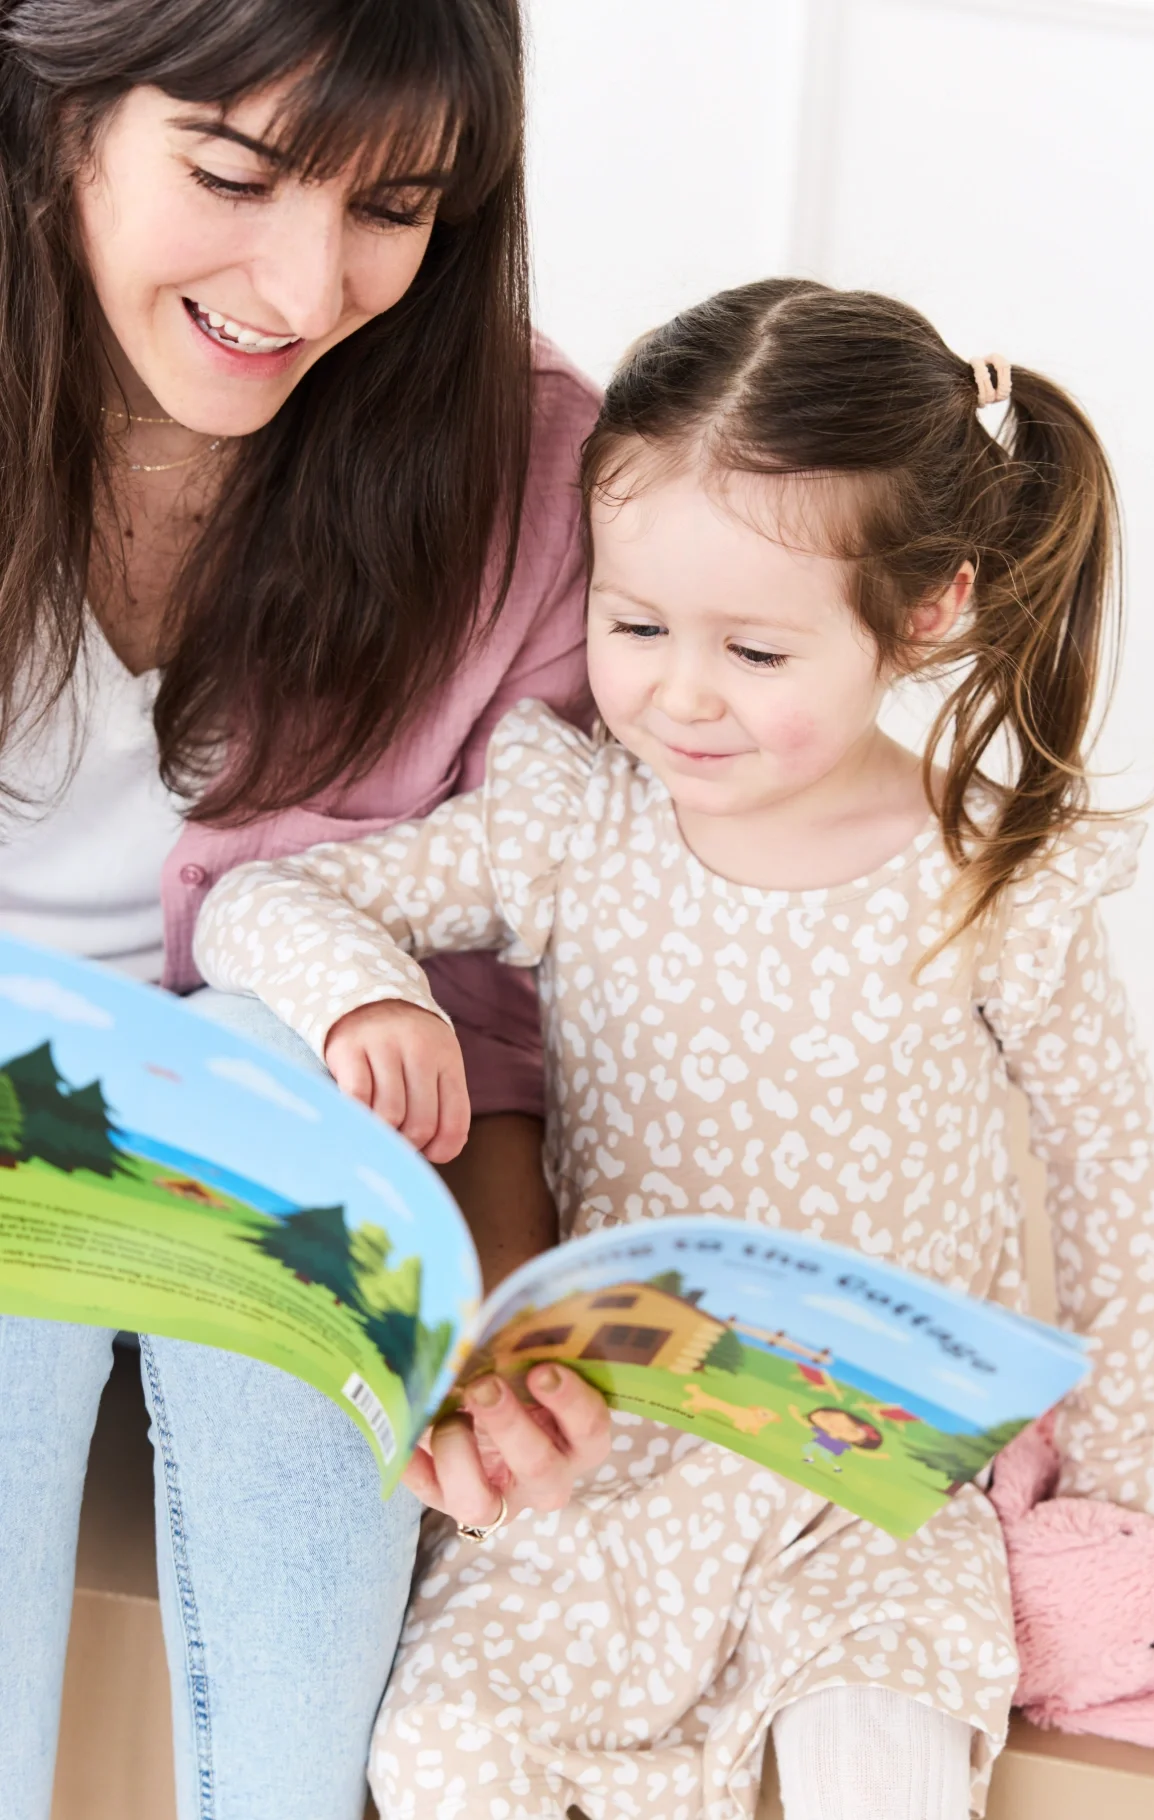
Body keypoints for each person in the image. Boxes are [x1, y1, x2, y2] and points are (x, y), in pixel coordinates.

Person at [196, 279, 1154, 1820]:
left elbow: (1111, 1169)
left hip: (874, 1473)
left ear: (926, 613)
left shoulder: (992, 877)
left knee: (883, 1775)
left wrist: (1121, 1479)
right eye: (637, 625)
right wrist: (362, 997)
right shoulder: (576, 821)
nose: (678, 694)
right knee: (439, 1754)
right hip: (622, 1450)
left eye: (757, 652)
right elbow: (259, 900)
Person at [0, 4, 611, 1817]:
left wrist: (492, 1345)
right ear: (60, 116)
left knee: (283, 1063)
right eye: (235, 174)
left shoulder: (527, 473)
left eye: (393, 209)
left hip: (279, 1240)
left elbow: (500, 1006)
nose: (305, 283)